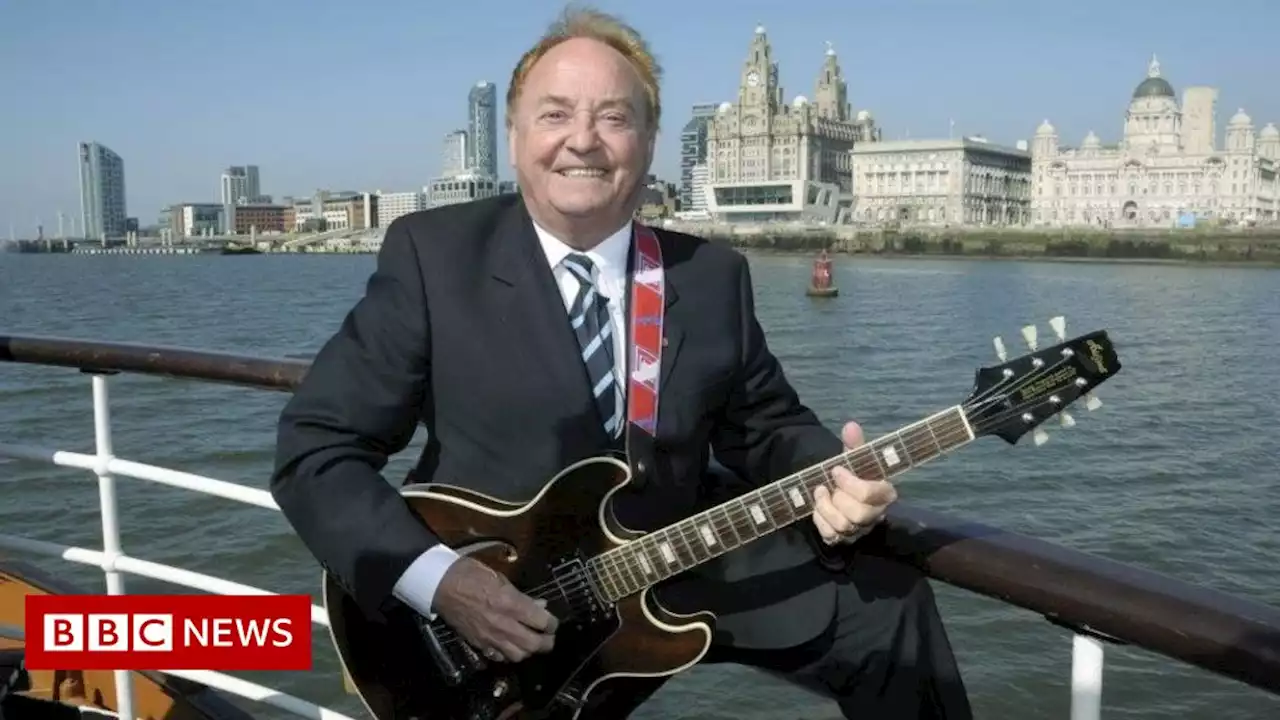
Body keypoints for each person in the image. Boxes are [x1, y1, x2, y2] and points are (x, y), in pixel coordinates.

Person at [270, 6, 972, 719]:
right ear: (514, 137)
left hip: (678, 559)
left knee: (890, 608)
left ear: (649, 140)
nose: (583, 140)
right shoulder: (434, 257)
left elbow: (765, 425)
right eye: (555, 115)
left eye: (613, 117)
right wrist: (444, 583)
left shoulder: (711, 275)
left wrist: (834, 476)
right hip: (508, 609)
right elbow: (315, 453)